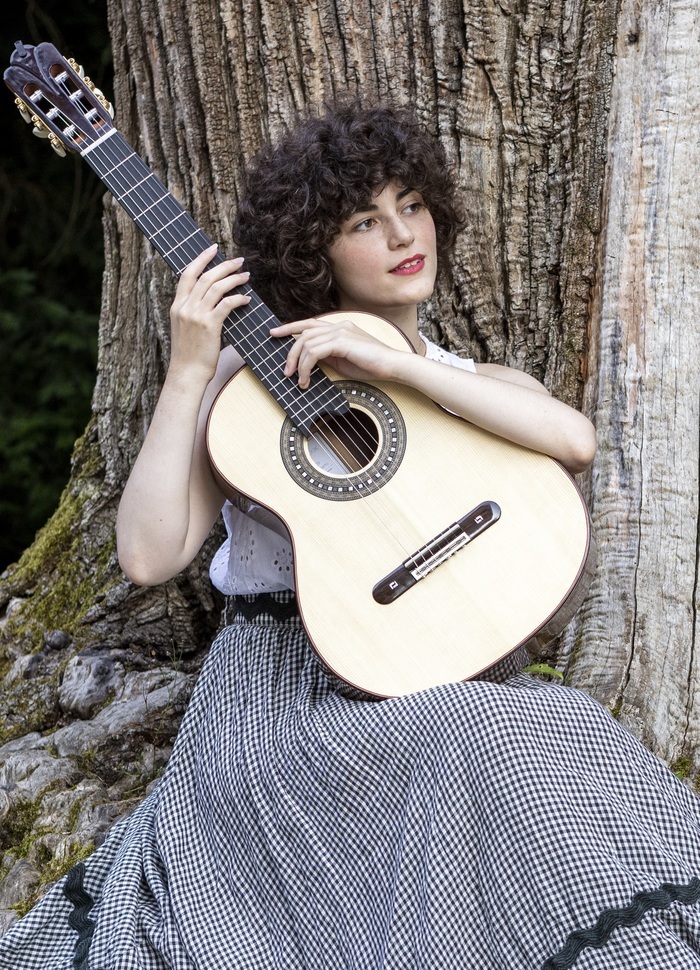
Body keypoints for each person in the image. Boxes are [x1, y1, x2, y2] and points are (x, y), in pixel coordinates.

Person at [2, 104, 700, 970]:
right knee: (489, 737)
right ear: (315, 251)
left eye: (412, 203)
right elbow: (148, 555)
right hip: (288, 692)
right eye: (364, 222)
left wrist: (399, 366)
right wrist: (189, 367)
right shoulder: (249, 385)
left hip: (447, 668)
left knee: (563, 730)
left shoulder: (467, 382)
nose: (405, 234)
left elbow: (575, 443)